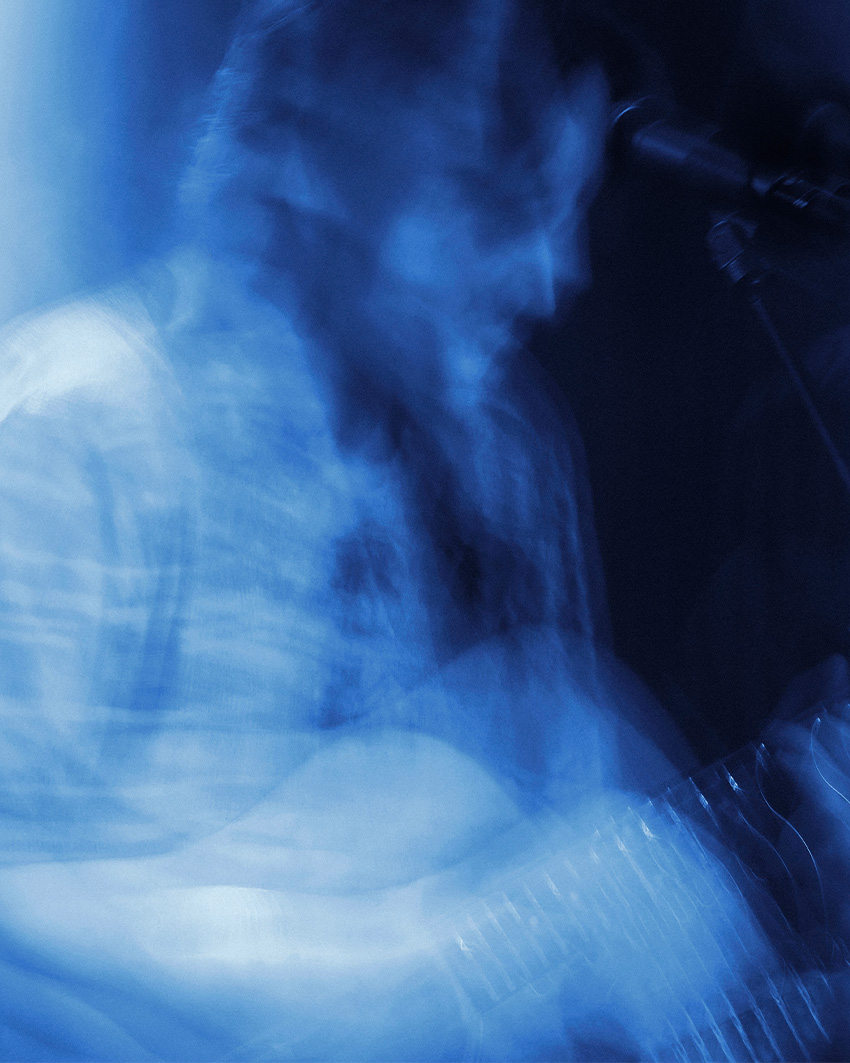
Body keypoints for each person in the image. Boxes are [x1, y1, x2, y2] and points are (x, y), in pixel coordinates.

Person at [0, 0, 829, 1059]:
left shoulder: (505, 457)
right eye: (497, 201)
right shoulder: (78, 429)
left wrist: (757, 919)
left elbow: (550, 926)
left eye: (567, 212)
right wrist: (412, 967)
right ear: (310, 147)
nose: (552, 273)